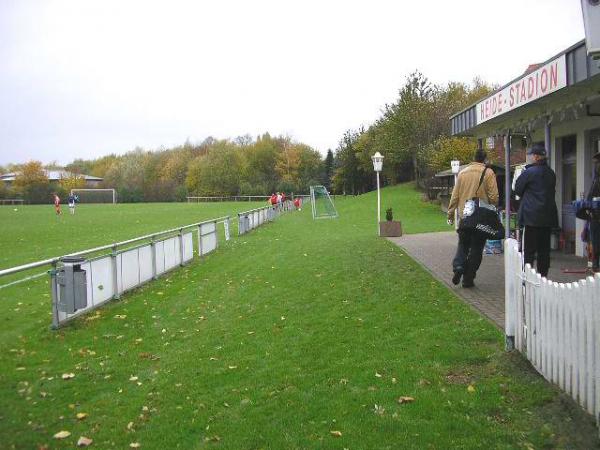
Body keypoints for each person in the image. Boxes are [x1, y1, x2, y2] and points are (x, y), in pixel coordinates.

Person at [447, 148, 499, 288]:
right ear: (485, 159)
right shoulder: (488, 173)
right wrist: (491, 203)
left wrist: (450, 214)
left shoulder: (462, 173)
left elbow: (455, 196)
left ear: (473, 158)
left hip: (465, 216)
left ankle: (458, 266)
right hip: (480, 219)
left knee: (463, 244)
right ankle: (468, 279)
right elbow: (494, 197)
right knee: (476, 248)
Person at [513, 143, 558, 278]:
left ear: (537, 157)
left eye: (532, 155)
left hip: (531, 217)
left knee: (529, 250)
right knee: (544, 250)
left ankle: (527, 276)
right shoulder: (551, 173)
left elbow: (518, 190)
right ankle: (543, 277)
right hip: (548, 217)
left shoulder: (529, 172)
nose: (531, 157)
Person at [584, 150, 600, 271]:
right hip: (595, 215)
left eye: (597, 163)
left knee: (596, 241)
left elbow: (592, 197)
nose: (596, 166)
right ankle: (595, 264)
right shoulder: (596, 179)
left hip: (597, 216)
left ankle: (596, 265)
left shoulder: (598, 180)